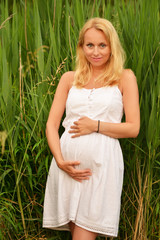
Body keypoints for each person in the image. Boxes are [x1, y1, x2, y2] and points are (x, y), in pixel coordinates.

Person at [43, 17, 140, 240]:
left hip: (100, 169)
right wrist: (59, 160)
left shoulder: (124, 77)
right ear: (81, 47)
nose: (95, 52)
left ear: (111, 46)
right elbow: (51, 124)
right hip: (66, 168)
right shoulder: (69, 79)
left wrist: (95, 126)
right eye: (90, 45)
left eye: (102, 45)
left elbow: (133, 128)